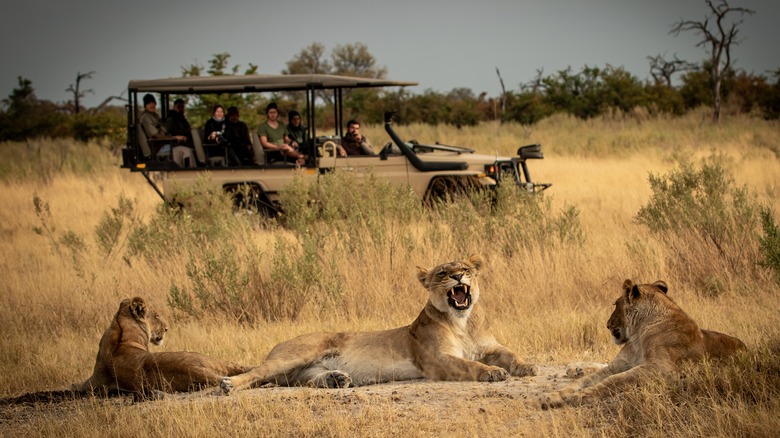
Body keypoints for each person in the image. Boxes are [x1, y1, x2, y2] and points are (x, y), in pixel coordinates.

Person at [138, 93, 195, 167]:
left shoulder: (155, 116)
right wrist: (174, 138)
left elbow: (165, 130)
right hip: (158, 146)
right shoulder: (146, 117)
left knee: (187, 148)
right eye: (149, 103)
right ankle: (186, 172)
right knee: (186, 151)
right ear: (145, 105)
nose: (152, 105)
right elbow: (155, 135)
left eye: (153, 103)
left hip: (165, 143)